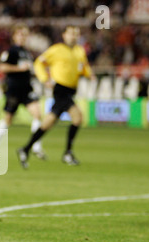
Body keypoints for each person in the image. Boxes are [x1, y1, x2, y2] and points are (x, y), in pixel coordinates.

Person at [17, 25, 93, 168]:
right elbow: (39, 62)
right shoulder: (57, 49)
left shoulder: (79, 51)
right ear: (64, 35)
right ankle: (68, 153)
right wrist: (45, 79)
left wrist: (89, 74)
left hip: (71, 90)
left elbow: (83, 66)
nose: (74, 36)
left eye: (76, 34)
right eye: (71, 33)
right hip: (60, 90)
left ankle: (25, 149)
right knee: (78, 117)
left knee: (48, 123)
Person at [0, 24, 46, 160]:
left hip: (27, 89)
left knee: (37, 115)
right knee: (8, 120)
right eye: (20, 34)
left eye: (24, 35)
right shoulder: (11, 51)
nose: (22, 37)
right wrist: (19, 68)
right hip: (14, 89)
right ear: (14, 36)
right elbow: (2, 67)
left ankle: (36, 146)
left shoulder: (27, 52)